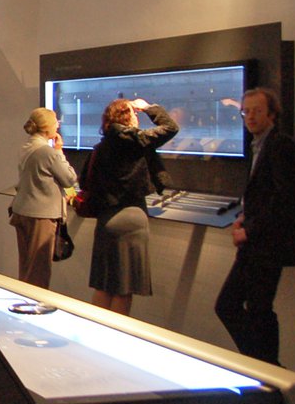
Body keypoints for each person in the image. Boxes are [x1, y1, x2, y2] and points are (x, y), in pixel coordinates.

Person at [214, 87, 295, 365]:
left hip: (268, 245)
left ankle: (268, 368)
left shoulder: (280, 145)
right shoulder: (259, 146)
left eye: (257, 111)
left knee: (245, 308)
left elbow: (283, 199)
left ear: (272, 113)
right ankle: (266, 368)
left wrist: (248, 230)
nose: (250, 117)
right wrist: (244, 219)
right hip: (258, 243)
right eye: (246, 111)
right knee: (254, 309)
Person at [82, 98, 179, 316]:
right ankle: (115, 342)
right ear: (129, 117)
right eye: (134, 114)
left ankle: (94, 338)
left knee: (104, 285)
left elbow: (83, 182)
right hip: (132, 220)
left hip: (107, 220)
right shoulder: (138, 141)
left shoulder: (101, 148)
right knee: (124, 289)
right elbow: (171, 127)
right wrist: (148, 108)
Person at [9, 107, 78, 288]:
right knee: (39, 269)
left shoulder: (26, 147)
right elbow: (69, 178)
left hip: (22, 211)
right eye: (56, 121)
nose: (58, 125)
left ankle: (24, 301)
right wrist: (59, 151)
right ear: (47, 127)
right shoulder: (47, 153)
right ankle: (34, 308)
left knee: (26, 267)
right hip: (41, 215)